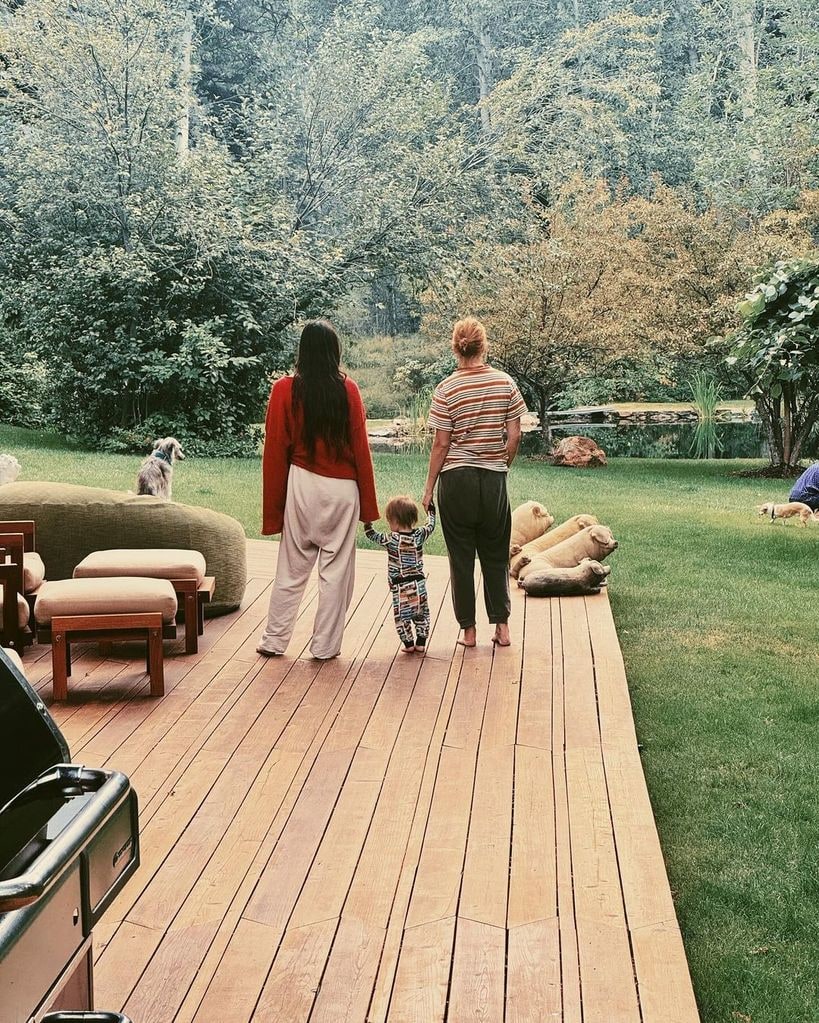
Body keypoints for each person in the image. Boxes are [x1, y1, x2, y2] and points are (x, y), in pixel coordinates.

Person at [258, 319, 379, 659]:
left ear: (302, 351)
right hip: (343, 491)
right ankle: (325, 647)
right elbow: (361, 450)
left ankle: (274, 640)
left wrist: (274, 513)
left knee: (291, 569)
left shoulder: (284, 389)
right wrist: (369, 510)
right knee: (336, 574)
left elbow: (275, 452)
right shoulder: (348, 390)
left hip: (302, 485)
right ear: (334, 351)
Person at [421, 317, 527, 649]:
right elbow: (515, 435)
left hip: (456, 482)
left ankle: (468, 631)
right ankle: (503, 627)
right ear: (484, 345)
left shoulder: (446, 389)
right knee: (495, 554)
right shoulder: (505, 383)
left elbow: (441, 444)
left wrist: (427, 491)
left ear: (456, 347)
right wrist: (501, 464)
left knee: (461, 557)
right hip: (493, 480)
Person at [364, 496, 436, 653]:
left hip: (400, 586)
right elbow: (431, 526)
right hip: (419, 585)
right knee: (422, 614)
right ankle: (421, 642)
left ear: (395, 521)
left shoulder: (391, 539)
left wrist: (367, 522)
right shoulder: (419, 535)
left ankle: (409, 644)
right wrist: (431, 510)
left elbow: (372, 534)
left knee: (402, 618)